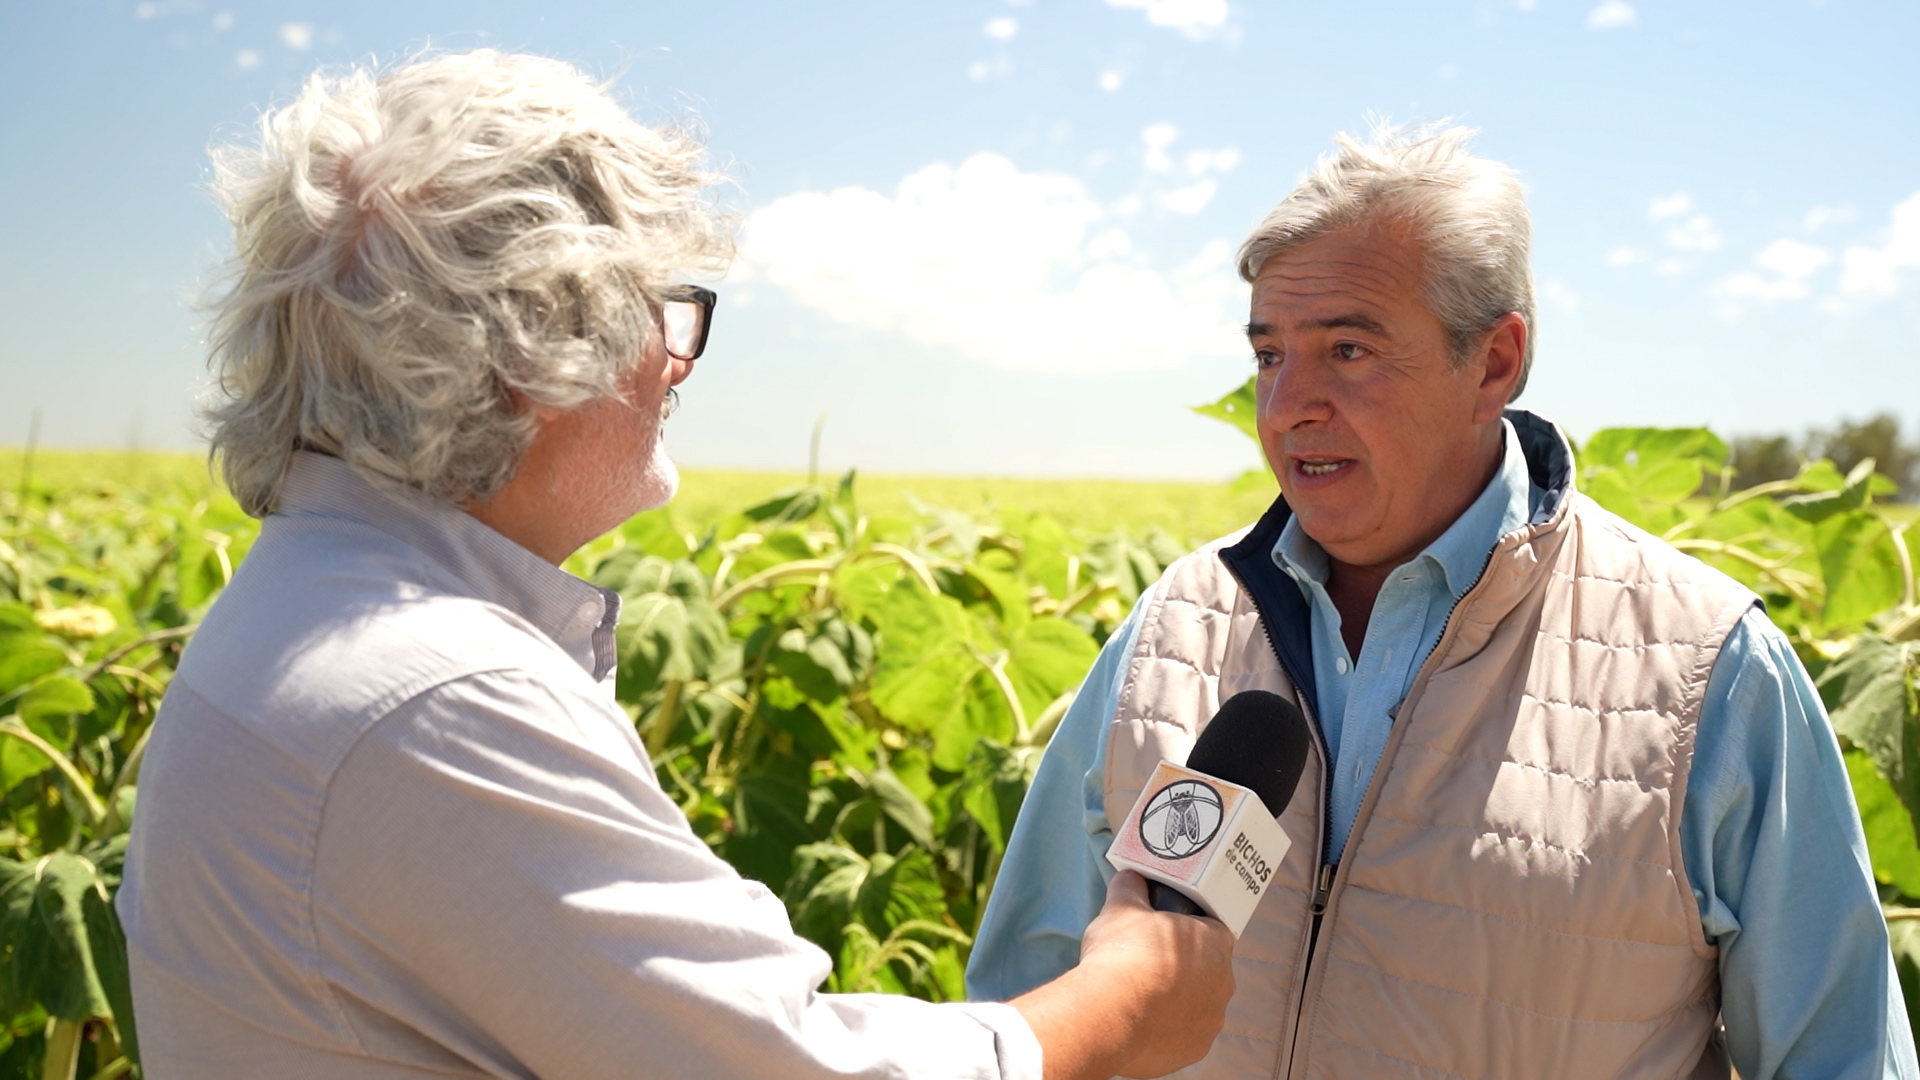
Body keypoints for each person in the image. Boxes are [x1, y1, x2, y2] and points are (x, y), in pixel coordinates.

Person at [115, 50, 1235, 1080]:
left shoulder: (304, 608)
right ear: (531, 352)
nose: (676, 362)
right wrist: (1126, 1001)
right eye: (660, 309)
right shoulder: (445, 697)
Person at [967, 124, 1920, 1080]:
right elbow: (1025, 1011)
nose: (1287, 405)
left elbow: (1840, 1058)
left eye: (1348, 349)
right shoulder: (1172, 628)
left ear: (1494, 362)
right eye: (1268, 356)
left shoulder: (1711, 672)